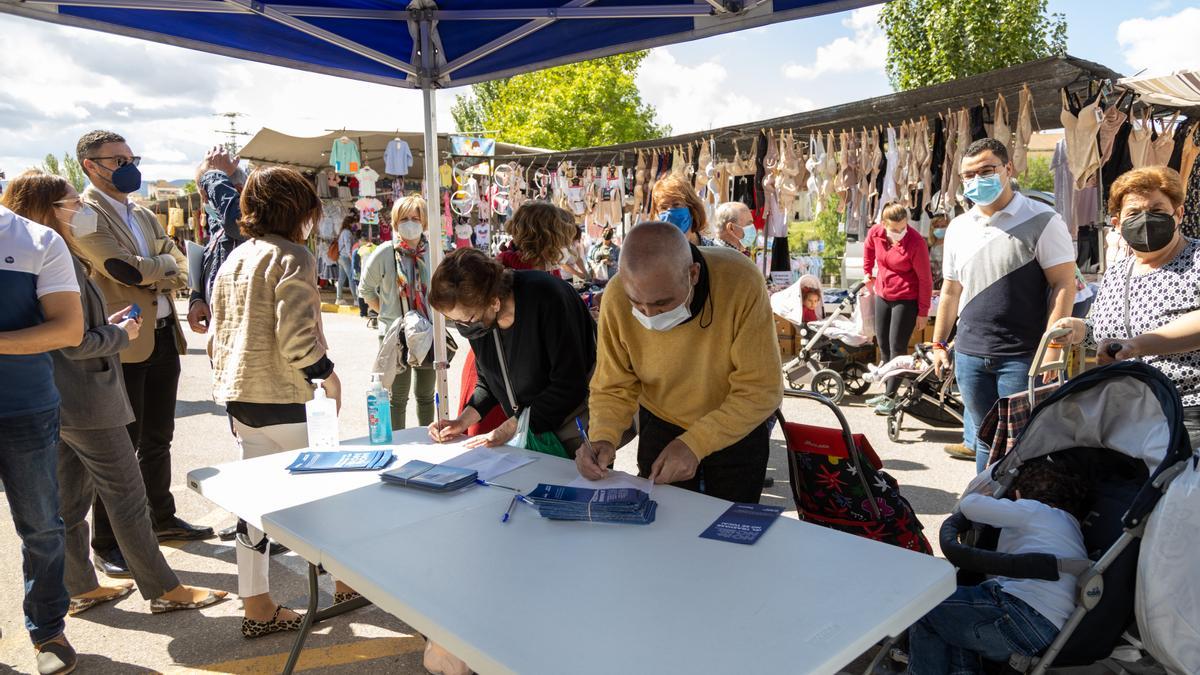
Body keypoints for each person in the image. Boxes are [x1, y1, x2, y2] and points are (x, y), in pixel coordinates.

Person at [4, 170, 228, 621]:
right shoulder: (51, 254)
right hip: (88, 395)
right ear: (48, 209)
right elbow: (74, 339)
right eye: (71, 202)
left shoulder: (50, 253)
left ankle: (79, 586)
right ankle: (164, 589)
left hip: (62, 397)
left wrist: (105, 324)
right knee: (127, 497)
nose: (80, 210)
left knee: (68, 502)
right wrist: (118, 333)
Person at [208, 166, 356, 637]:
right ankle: (344, 583)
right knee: (322, 495)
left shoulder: (235, 259)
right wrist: (328, 377)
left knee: (255, 505)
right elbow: (295, 337)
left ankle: (256, 605)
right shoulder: (292, 256)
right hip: (289, 397)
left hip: (241, 398)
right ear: (299, 210)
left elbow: (216, 336)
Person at [74, 130, 212, 579]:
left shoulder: (142, 213)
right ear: (90, 166)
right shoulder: (83, 215)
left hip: (163, 336)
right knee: (118, 449)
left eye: (131, 157)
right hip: (124, 343)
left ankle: (162, 519)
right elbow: (121, 269)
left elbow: (171, 258)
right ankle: (108, 543)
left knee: (158, 439)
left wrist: (156, 268)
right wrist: (160, 268)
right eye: (116, 160)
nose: (128, 166)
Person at [577, 222, 783, 502]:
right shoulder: (615, 296)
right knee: (661, 521)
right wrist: (602, 436)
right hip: (661, 421)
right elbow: (613, 384)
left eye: (662, 304)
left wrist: (695, 443)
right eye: (637, 303)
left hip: (736, 425)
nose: (649, 316)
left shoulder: (740, 280)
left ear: (693, 274)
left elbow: (760, 390)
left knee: (729, 531)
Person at [929, 138, 1076, 473]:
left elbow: (1063, 283)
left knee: (1022, 443)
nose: (976, 180)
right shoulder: (958, 227)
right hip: (969, 355)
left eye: (986, 170)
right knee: (984, 438)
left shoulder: (1044, 219)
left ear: (1008, 169)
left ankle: (1020, 516)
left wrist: (1052, 346)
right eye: (968, 175)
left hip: (1023, 355)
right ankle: (986, 513)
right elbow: (951, 291)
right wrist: (939, 344)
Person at [1054, 166, 1200, 447]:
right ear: (1118, 224)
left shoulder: (1196, 259)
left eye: (1157, 209)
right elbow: (1104, 330)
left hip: (1188, 414)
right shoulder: (1119, 270)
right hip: (1127, 415)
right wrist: (1078, 329)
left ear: (1178, 214)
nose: (1145, 219)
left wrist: (1138, 345)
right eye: (1134, 213)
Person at [0, 195, 83, 675]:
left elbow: (68, 329)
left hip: (24, 409)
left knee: (41, 528)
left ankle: (48, 630)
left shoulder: (36, 240)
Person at [907, 458, 1088, 673]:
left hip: (1019, 612)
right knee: (952, 625)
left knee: (922, 609)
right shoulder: (1071, 525)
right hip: (1045, 628)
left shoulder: (1035, 510)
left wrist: (983, 496)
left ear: (1019, 494)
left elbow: (969, 506)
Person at [428, 248, 596, 456]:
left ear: (494, 301)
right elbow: (488, 382)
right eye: (455, 321)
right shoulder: (480, 320)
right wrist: (461, 421)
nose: (463, 327)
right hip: (531, 433)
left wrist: (511, 427)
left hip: (578, 431)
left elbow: (569, 383)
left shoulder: (547, 297)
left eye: (468, 319)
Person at [358, 195, 436, 429]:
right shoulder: (384, 252)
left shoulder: (433, 253)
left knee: (425, 394)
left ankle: (427, 437)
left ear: (423, 222)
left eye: (415, 218)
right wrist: (388, 314)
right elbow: (366, 290)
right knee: (397, 398)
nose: (410, 223)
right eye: (404, 219)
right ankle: (400, 445)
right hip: (394, 335)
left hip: (425, 332)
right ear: (395, 222)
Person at [863, 201, 933, 415]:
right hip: (883, 293)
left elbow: (925, 279)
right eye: (895, 229)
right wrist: (867, 272)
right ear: (884, 224)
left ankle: (890, 397)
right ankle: (886, 392)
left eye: (903, 227)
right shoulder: (876, 233)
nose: (900, 231)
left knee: (897, 347)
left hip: (907, 298)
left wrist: (923, 311)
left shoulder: (915, 242)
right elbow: (868, 250)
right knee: (882, 344)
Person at [186, 146, 246, 335]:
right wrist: (197, 299)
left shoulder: (250, 227)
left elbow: (237, 225)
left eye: (207, 195)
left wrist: (213, 176)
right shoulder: (218, 228)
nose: (205, 203)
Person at [651, 174, 713, 246]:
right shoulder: (653, 253)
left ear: (692, 209)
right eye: (663, 208)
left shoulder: (714, 252)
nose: (669, 212)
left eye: (676, 205)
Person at [335, 215, 356, 305]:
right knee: (351, 278)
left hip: (340, 257)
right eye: (354, 223)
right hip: (346, 257)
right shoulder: (347, 232)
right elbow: (348, 247)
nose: (355, 225)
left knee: (341, 278)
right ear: (350, 223)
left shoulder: (342, 232)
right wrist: (352, 258)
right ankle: (356, 299)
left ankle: (339, 298)